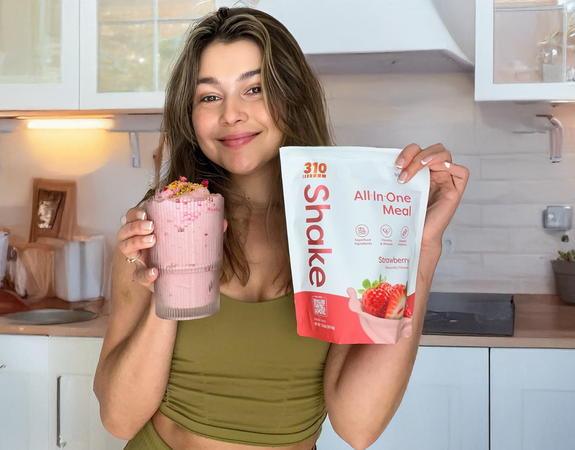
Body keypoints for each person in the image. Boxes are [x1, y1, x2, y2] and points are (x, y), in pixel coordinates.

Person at [94, 6, 469, 450]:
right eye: (209, 97)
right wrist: (169, 283)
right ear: (189, 115)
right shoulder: (156, 224)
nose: (231, 114)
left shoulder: (343, 224)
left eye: (254, 89)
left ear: (290, 96)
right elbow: (118, 418)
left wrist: (421, 248)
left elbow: (357, 424)